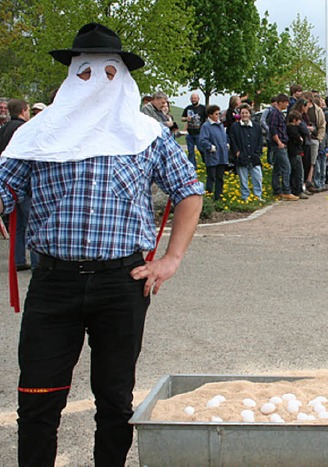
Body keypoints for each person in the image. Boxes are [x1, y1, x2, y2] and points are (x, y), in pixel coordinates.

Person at [0, 23, 203, 466]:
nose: (97, 82)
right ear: (72, 75)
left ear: (123, 77)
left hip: (121, 282)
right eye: (86, 72)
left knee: (115, 401)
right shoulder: (38, 135)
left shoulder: (146, 134)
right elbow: (2, 190)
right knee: (37, 401)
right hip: (53, 284)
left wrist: (170, 259)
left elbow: (189, 190)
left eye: (109, 72)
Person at [0, 99, 38, 271]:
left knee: (18, 226)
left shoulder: (4, 128)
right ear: (23, 111)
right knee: (33, 225)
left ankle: (18, 259)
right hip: (24, 185)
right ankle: (37, 263)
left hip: (9, 179)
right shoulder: (24, 129)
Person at [229, 103, 263, 201]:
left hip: (254, 155)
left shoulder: (256, 126)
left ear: (250, 114)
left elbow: (259, 140)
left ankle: (258, 195)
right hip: (242, 155)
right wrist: (236, 152)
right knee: (243, 178)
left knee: (257, 176)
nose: (244, 115)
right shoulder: (235, 126)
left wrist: (258, 152)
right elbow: (233, 140)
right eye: (242, 113)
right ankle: (245, 196)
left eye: (246, 113)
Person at [269, 93, 298, 201]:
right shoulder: (275, 114)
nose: (287, 105)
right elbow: (273, 129)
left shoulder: (279, 114)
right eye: (285, 103)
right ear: (280, 102)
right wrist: (279, 142)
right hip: (279, 144)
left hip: (280, 143)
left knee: (277, 168)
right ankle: (286, 191)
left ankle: (277, 190)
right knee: (286, 167)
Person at [197, 105, 229, 199]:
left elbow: (224, 136)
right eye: (216, 114)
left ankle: (219, 195)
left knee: (220, 177)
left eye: (219, 113)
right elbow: (202, 140)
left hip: (222, 155)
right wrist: (210, 147)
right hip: (212, 155)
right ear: (210, 115)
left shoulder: (220, 124)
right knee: (211, 177)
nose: (218, 116)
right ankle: (209, 195)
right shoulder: (206, 126)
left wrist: (226, 143)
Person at [304, 92, 326, 193]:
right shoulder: (302, 109)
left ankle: (310, 182)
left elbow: (322, 124)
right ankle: (306, 183)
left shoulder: (318, 110)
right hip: (304, 139)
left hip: (314, 138)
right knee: (305, 161)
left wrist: (319, 138)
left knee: (313, 162)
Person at [181, 92, 206, 168]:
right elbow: (182, 118)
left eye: (195, 98)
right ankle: (192, 166)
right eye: (192, 98)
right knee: (190, 151)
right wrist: (186, 118)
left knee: (201, 149)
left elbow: (207, 118)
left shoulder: (203, 108)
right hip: (190, 133)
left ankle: (206, 162)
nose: (193, 99)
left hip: (200, 133)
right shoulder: (188, 108)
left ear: (198, 99)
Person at [286, 110, 306, 198]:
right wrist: (300, 139)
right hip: (295, 152)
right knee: (297, 172)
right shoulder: (292, 129)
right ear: (294, 120)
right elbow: (298, 139)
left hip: (294, 151)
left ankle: (297, 189)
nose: (300, 122)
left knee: (297, 171)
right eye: (298, 120)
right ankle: (298, 190)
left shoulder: (290, 128)